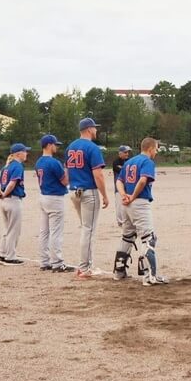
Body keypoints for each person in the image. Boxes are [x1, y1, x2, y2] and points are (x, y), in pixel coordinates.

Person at [113, 137, 168, 285]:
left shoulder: (129, 162)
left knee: (127, 236)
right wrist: (132, 196)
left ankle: (119, 272)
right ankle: (149, 276)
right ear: (150, 148)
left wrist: (124, 195)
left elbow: (119, 181)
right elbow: (143, 180)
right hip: (139, 202)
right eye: (156, 149)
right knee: (148, 238)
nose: (156, 152)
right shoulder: (147, 162)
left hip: (126, 204)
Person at [66, 118, 110, 279]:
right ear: (89, 129)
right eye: (94, 128)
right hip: (88, 192)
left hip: (74, 191)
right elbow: (98, 175)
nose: (96, 130)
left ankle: (85, 266)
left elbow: (67, 172)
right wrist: (105, 195)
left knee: (86, 228)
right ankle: (85, 268)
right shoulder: (92, 147)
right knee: (89, 230)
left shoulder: (71, 146)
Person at [36, 134, 74, 273]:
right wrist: (67, 169)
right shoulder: (53, 162)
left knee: (44, 232)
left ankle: (44, 261)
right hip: (55, 198)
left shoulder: (39, 161)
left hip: (43, 196)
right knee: (56, 232)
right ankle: (57, 263)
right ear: (49, 145)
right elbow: (65, 181)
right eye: (55, 144)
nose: (56, 147)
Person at [0, 143, 29, 266]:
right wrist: (5, 194)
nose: (26, 153)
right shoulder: (17, 166)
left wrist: (1, 194)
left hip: (5, 201)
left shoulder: (6, 166)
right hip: (13, 200)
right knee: (14, 230)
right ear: (18, 154)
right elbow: (12, 184)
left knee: (7, 229)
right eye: (25, 151)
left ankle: (3, 254)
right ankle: (10, 257)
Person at [112, 145, 132, 228]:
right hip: (119, 187)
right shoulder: (116, 162)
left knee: (129, 204)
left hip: (128, 187)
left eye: (128, 152)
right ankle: (120, 222)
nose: (127, 154)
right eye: (125, 152)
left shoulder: (129, 161)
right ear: (120, 153)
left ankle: (128, 220)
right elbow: (123, 172)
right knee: (119, 205)